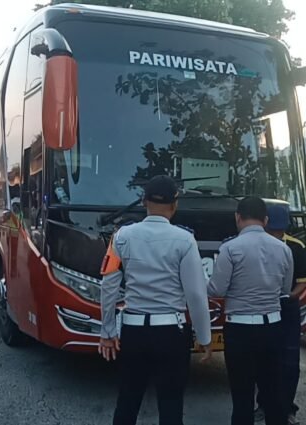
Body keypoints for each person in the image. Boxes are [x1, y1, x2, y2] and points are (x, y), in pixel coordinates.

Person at [99, 175, 213, 425]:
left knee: (128, 401)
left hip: (133, 330)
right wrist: (205, 338)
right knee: (171, 404)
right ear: (175, 205)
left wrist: (107, 330)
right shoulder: (185, 240)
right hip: (172, 333)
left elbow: (108, 284)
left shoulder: (120, 237)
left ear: (143, 201)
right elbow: (195, 294)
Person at [208, 197, 293, 425]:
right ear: (265, 220)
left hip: (240, 330)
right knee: (272, 392)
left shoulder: (230, 249)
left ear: (237, 217)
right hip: (273, 328)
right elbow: (285, 290)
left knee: (242, 396)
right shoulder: (284, 249)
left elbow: (216, 289)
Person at [253, 203, 306, 425]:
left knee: (289, 363)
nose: (275, 235)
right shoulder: (255, 244)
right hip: (262, 308)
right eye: (272, 230)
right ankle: (264, 404)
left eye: (279, 231)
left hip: (286, 311)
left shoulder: (296, 247)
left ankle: (287, 407)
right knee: (262, 359)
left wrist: (288, 297)